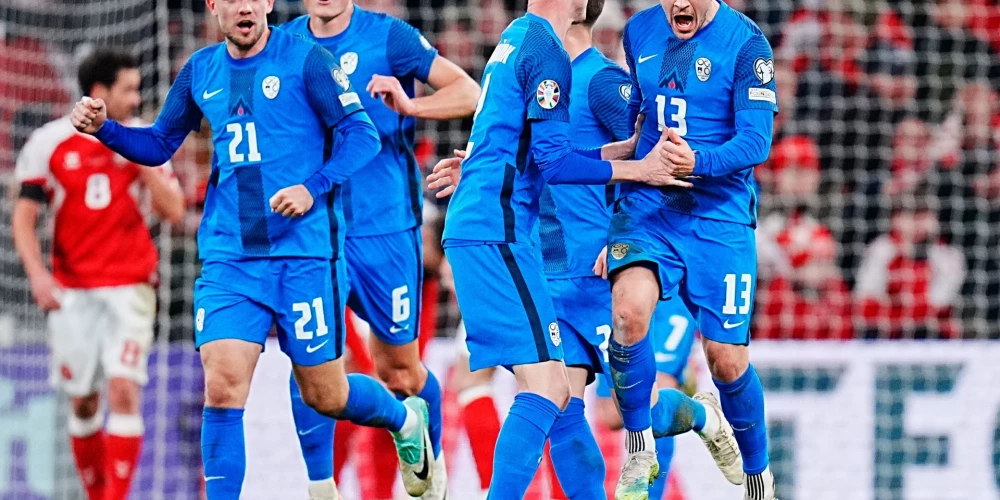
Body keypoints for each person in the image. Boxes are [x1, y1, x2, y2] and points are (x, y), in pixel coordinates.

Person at [68, 0, 434, 498]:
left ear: (267, 4)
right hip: (231, 257)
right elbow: (158, 144)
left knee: (327, 395)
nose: (245, 7)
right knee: (221, 385)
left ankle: (403, 419)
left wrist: (313, 186)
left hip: (305, 256)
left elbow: (362, 135)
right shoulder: (200, 70)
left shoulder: (307, 60)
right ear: (214, 7)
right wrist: (105, 129)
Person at [427, 0, 688, 495]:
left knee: (604, 408)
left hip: (586, 271)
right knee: (558, 397)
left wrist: (626, 231)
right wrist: (485, 168)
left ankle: (696, 417)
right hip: (523, 249)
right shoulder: (540, 51)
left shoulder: (569, 65)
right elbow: (554, 160)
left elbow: (661, 157)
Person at [280, 2, 480, 497]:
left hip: (385, 227)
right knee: (311, 362)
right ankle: (320, 485)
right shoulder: (281, 44)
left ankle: (428, 469)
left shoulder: (390, 38)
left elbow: (468, 92)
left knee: (400, 372)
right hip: (312, 226)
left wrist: (413, 106)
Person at [606, 0, 780, 498]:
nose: (678, 3)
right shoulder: (639, 31)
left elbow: (756, 141)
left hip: (717, 218)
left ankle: (758, 477)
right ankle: (639, 447)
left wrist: (697, 161)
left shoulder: (747, 45)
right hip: (648, 208)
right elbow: (635, 128)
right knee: (628, 314)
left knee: (726, 360)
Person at [11, 48, 184, 500]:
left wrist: (137, 157)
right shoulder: (48, 143)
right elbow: (23, 219)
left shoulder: (145, 138)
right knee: (84, 400)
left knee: (123, 389)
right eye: (128, 89)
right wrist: (38, 276)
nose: (137, 97)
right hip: (73, 291)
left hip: (130, 287)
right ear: (100, 92)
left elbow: (175, 211)